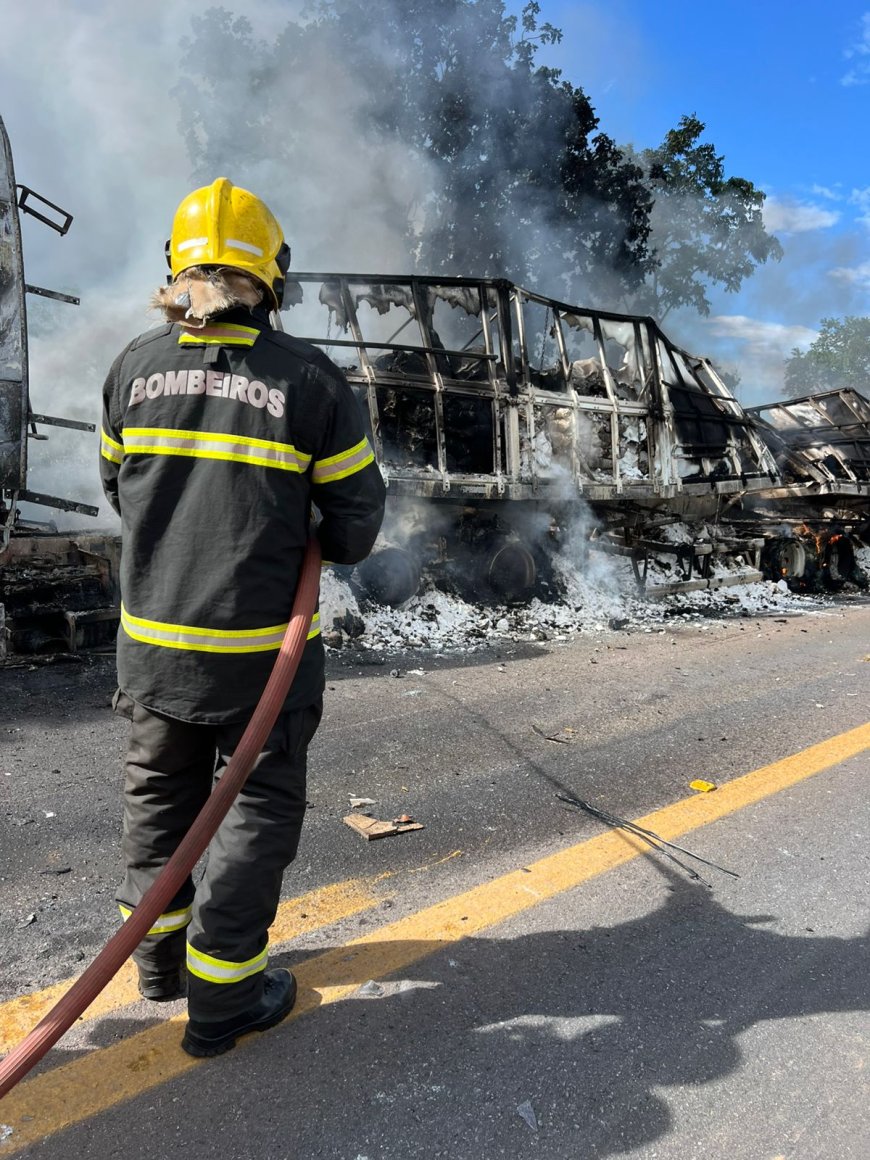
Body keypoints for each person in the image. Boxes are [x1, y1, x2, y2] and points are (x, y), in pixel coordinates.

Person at [99, 178, 386, 1057]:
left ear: (175, 268)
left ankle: (158, 963)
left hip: (151, 651)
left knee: (161, 796)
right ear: (276, 274)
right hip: (260, 656)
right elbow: (354, 526)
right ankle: (223, 994)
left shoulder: (133, 366)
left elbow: (119, 488)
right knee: (254, 805)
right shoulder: (308, 379)